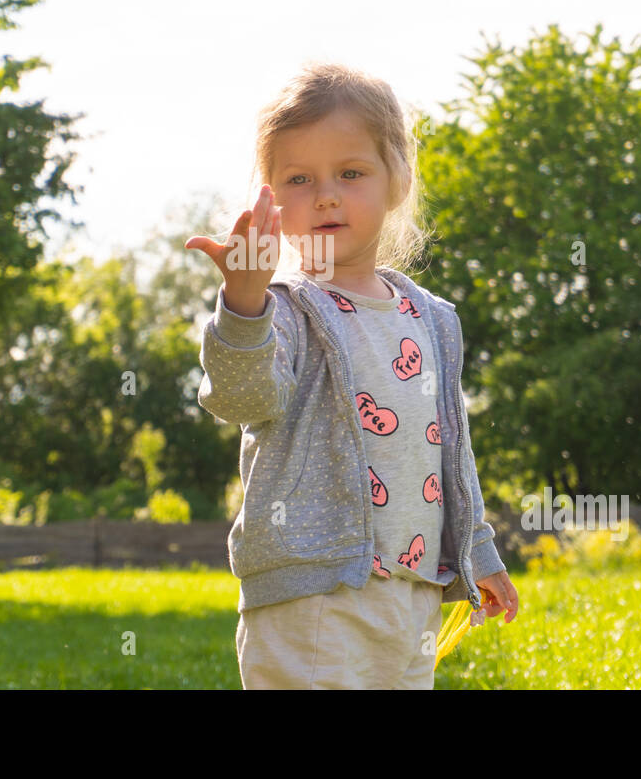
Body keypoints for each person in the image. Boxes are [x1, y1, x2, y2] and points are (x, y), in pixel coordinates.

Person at [185, 61, 518, 689]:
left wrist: (478, 555)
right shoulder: (281, 308)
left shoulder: (434, 319)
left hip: (412, 593)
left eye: (351, 173)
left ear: (398, 178)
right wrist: (244, 305)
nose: (328, 195)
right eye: (300, 178)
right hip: (313, 590)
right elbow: (238, 398)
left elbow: (451, 449)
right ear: (271, 197)